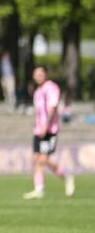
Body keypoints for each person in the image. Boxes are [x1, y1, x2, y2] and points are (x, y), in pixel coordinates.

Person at [23, 66, 74, 199]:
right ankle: (39, 189)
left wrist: (46, 125)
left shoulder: (51, 88)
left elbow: (53, 107)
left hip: (49, 130)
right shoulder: (38, 92)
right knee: (37, 159)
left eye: (40, 74)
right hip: (38, 130)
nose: (37, 76)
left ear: (45, 74)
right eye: (35, 74)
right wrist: (38, 126)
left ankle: (66, 176)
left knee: (43, 159)